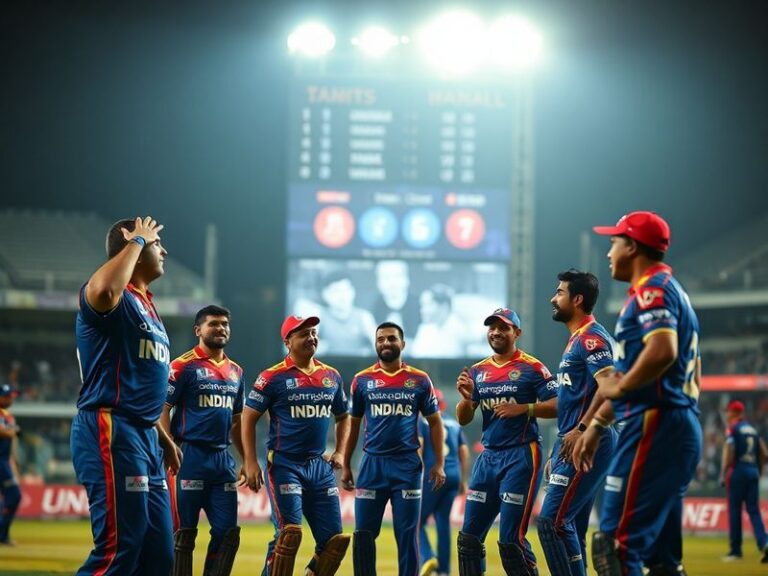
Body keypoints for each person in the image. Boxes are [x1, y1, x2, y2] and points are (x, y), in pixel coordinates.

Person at [575, 211, 702, 576]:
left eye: (613, 243)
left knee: (614, 547)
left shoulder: (651, 290)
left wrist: (624, 385)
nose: (609, 252)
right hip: (674, 423)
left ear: (632, 245)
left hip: (655, 423)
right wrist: (597, 424)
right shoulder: (673, 292)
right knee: (662, 561)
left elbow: (662, 351)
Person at [71, 216, 179, 575]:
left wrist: (162, 436)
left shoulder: (147, 304)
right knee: (119, 551)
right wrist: (136, 241)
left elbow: (141, 382)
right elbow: (102, 292)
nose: (163, 250)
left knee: (159, 557)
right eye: (156, 242)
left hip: (144, 436)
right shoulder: (112, 295)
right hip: (111, 427)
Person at [242, 315, 351, 576]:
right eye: (303, 334)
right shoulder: (271, 377)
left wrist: (340, 451)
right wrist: (249, 461)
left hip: (319, 466)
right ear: (288, 341)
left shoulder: (331, 376)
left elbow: (344, 416)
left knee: (334, 543)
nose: (311, 337)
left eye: (313, 332)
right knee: (288, 536)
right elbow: (248, 418)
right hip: (284, 464)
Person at [455, 307, 558, 576]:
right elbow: (464, 419)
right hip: (488, 459)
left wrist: (526, 408)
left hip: (521, 456)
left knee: (511, 542)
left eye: (503, 328)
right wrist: (467, 399)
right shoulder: (478, 371)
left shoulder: (533, 367)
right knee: (468, 539)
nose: (496, 332)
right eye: (492, 327)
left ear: (517, 333)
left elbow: (560, 404)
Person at [341, 321, 446, 576]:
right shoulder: (361, 380)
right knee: (364, 535)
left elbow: (435, 423)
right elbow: (352, 426)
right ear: (376, 344)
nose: (386, 343)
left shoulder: (420, 380)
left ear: (402, 343)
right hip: (371, 466)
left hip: (407, 467)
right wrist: (345, 464)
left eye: (391, 338)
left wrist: (439, 463)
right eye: (381, 339)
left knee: (407, 536)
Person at [538, 269, 618, 576]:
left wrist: (584, 429)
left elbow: (610, 387)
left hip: (591, 440)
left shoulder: (592, 339)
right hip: (572, 441)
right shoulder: (577, 340)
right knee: (570, 528)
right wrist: (557, 447)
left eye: (559, 292)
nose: (553, 298)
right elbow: (573, 403)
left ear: (578, 299)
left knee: (551, 523)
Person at [160, 305, 246, 576]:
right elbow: (162, 407)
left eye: (224, 324)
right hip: (189, 455)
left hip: (222, 462)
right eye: (214, 324)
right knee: (183, 535)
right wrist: (169, 446)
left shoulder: (236, 372)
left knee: (228, 533)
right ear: (198, 330)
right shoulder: (182, 366)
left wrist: (246, 460)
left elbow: (236, 421)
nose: (220, 328)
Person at [418, 388, 469, 576]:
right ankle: (444, 570)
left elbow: (420, 446)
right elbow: (464, 451)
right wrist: (463, 480)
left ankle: (427, 557)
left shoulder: (423, 421)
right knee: (443, 522)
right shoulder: (454, 424)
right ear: (444, 404)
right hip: (454, 475)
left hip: (433, 476)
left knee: (416, 521)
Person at [719, 399, 768, 563]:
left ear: (735, 413)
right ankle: (765, 542)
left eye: (728, 412)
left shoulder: (732, 430)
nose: (727, 415)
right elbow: (764, 454)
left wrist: (724, 472)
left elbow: (729, 452)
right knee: (754, 510)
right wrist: (758, 471)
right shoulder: (753, 430)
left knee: (735, 510)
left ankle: (735, 551)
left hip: (738, 471)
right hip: (752, 471)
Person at [317, 270, 376, 357]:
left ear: (353, 292)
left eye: (346, 290)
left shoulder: (364, 316)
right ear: (325, 295)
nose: (342, 296)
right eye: (336, 291)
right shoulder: (319, 316)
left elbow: (381, 346)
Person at [412, 284, 467, 358]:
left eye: (428, 305)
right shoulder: (425, 328)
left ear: (444, 306)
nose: (423, 311)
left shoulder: (458, 329)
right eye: (422, 306)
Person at [373, 260, 421, 341]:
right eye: (386, 277)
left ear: (407, 280)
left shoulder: (422, 307)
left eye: (397, 276)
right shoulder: (371, 311)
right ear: (378, 283)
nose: (392, 283)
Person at [0, 383, 21, 546]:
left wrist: (13, 464)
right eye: (7, 396)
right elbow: (6, 432)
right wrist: (12, 431)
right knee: (13, 495)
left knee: (13, 496)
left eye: (11, 396)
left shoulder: (9, 416)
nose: (10, 399)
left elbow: (11, 441)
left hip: (4, 462)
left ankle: (3, 533)